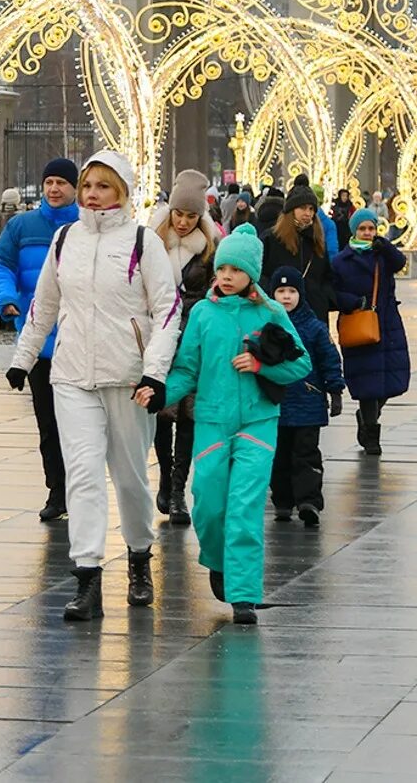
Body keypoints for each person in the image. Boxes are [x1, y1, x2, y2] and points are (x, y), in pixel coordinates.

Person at [6, 150, 180, 622]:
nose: (92, 194)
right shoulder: (66, 239)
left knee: (129, 477)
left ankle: (140, 558)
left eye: (103, 186)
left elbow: (167, 311)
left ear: (121, 191)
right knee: (81, 474)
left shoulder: (144, 242)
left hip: (128, 378)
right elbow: (45, 305)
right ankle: (86, 578)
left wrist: (155, 372)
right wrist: (23, 360)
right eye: (88, 186)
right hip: (71, 376)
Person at [163, 224, 311, 625]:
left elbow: (301, 363)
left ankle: (244, 594)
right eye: (221, 267)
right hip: (211, 421)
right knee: (208, 504)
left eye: (235, 269)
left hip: (258, 422)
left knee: (245, 507)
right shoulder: (203, 314)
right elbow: (187, 367)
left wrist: (263, 365)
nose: (225, 275)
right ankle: (216, 558)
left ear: (252, 273)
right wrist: (159, 394)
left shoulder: (271, 312)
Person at [0, 158, 80, 522]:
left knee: (80, 424)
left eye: (61, 183)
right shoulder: (22, 226)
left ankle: (79, 487)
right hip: (40, 344)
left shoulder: (84, 227)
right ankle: (56, 490)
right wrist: (6, 298)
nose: (54, 189)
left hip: (79, 343)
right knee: (48, 423)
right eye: (49, 182)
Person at [149, 169, 220, 528]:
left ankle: (178, 491)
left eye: (192, 217)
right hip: (161, 338)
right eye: (179, 214)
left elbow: (217, 292)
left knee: (188, 418)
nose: (183, 222)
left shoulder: (209, 249)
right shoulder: (151, 242)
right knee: (162, 412)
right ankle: (164, 478)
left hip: (194, 342)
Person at [267, 266, 344, 528]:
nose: (286, 296)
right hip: (275, 404)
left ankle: (309, 500)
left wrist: (335, 389)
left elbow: (329, 359)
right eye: (281, 291)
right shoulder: (267, 325)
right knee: (279, 455)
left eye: (292, 291)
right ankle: (283, 500)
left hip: (308, 402)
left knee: (306, 453)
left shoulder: (314, 327)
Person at [332, 209, 409, 457]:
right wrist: (353, 302)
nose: (367, 233)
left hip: (387, 325)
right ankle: (371, 436)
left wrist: (384, 246)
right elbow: (333, 293)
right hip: (359, 326)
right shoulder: (342, 261)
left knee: (389, 382)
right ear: (354, 230)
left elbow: (400, 262)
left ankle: (367, 417)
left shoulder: (382, 255)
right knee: (368, 385)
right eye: (363, 229)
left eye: (371, 228)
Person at [258, 180, 338, 320]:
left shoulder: (317, 240)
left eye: (311, 209)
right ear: (291, 210)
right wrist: (274, 294)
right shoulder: (271, 239)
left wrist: (324, 297)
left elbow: (326, 276)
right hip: (280, 313)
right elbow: (260, 274)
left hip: (314, 314)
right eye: (302, 208)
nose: (308, 213)